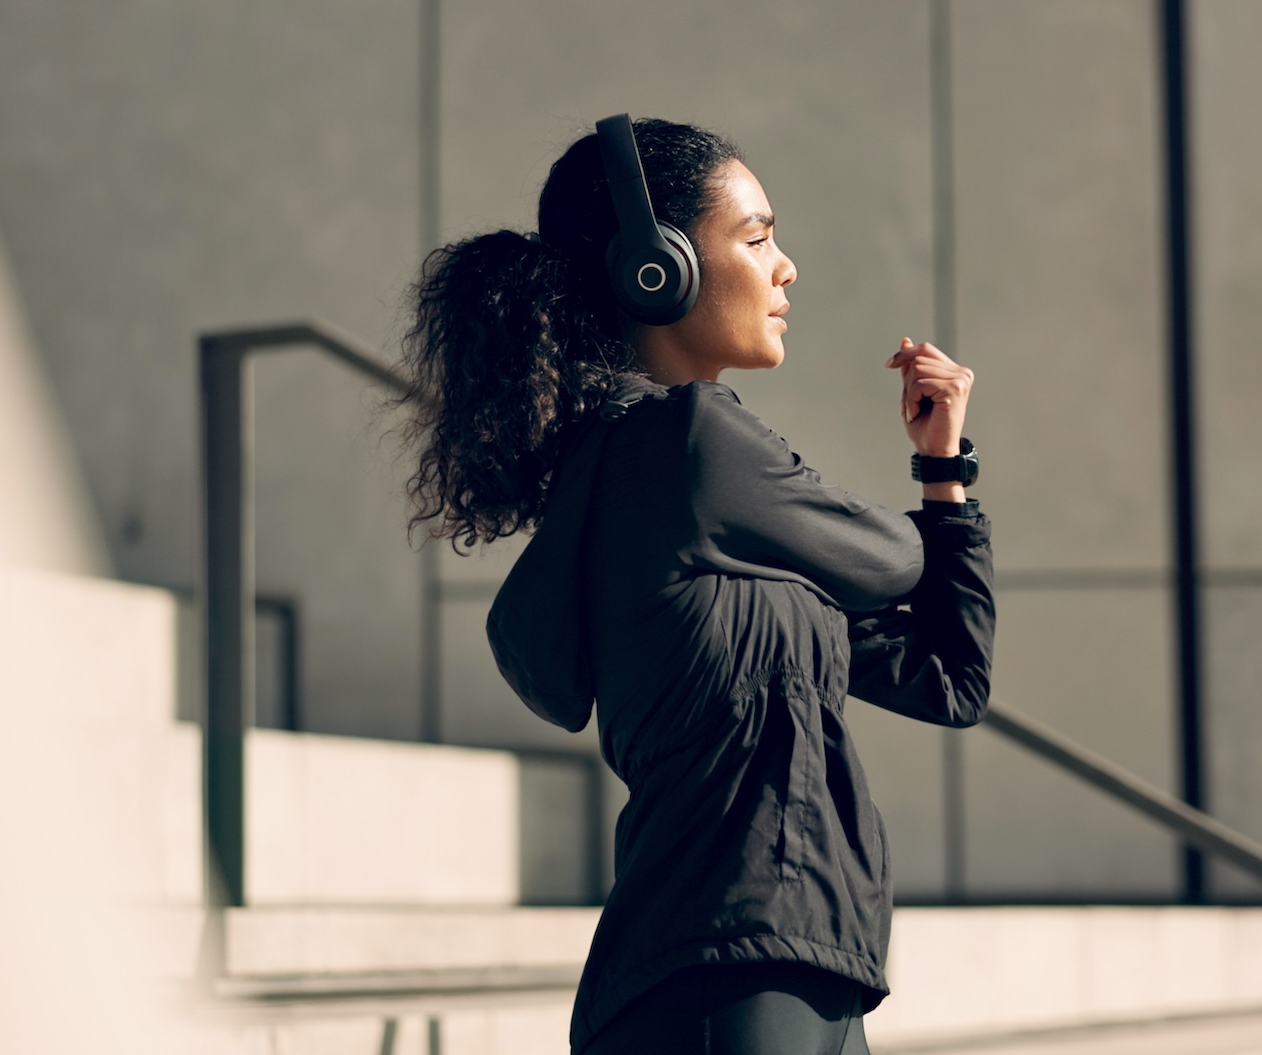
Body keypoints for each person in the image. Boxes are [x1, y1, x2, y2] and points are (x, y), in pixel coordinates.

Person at [398, 117, 995, 1055]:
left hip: (788, 969)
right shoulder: (688, 443)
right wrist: (921, 511)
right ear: (656, 267)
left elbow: (950, 678)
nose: (785, 267)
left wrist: (942, 468)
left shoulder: (664, 496)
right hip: (733, 974)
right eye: (757, 239)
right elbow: (895, 561)